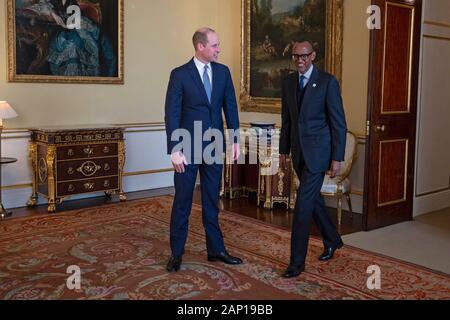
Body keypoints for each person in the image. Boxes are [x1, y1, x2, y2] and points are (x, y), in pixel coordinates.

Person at [164, 27, 242, 272]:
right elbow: (172, 113)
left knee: (211, 200)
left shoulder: (223, 72)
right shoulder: (179, 75)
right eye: (215, 45)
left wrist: (236, 139)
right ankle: (176, 253)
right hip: (186, 147)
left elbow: (230, 106)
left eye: (218, 45)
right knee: (183, 202)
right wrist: (174, 149)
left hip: (214, 146)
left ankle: (216, 250)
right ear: (200, 46)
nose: (219, 49)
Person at [279, 41, 347, 278]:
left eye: (305, 56)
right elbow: (287, 120)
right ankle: (332, 239)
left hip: (319, 155)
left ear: (313, 56)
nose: (300, 60)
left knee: (303, 207)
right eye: (296, 56)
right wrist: (283, 151)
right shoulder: (288, 82)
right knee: (314, 200)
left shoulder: (328, 82)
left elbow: (338, 123)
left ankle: (296, 263)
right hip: (298, 154)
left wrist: (337, 158)